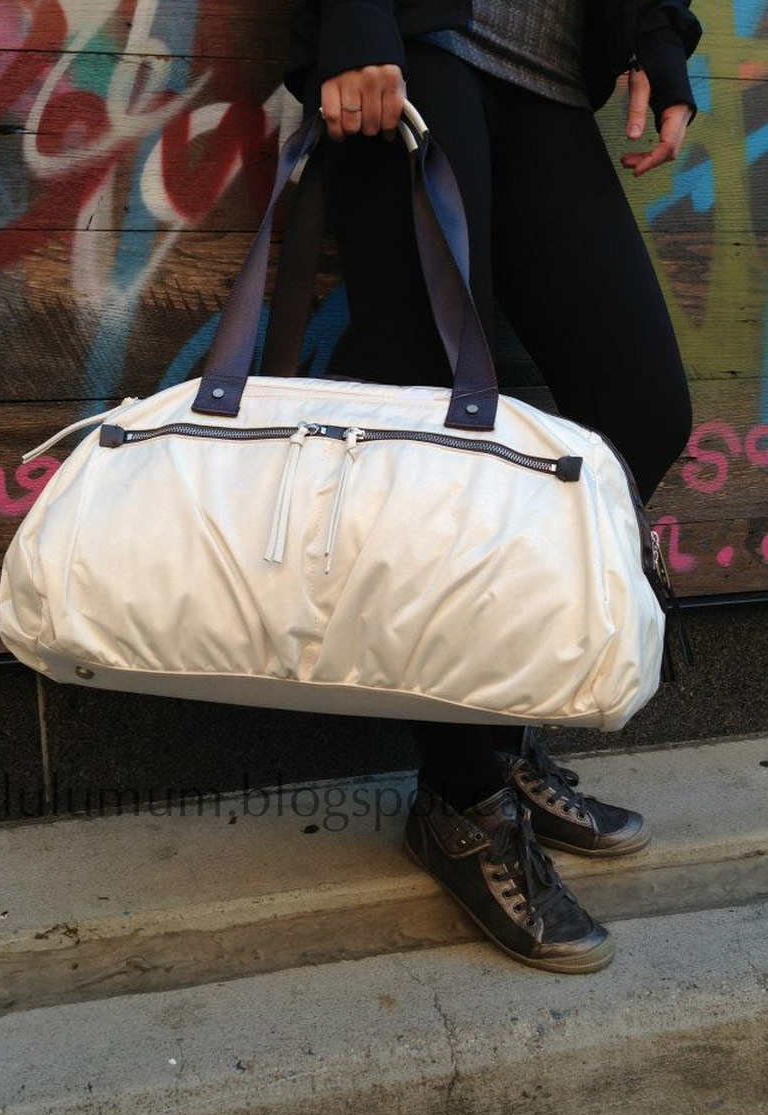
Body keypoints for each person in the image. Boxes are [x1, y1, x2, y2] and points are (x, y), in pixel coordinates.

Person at [281, 0, 702, 973]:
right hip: (415, 46)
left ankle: (499, 739)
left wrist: (654, 34)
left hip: (547, 67)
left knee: (641, 407)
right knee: (439, 448)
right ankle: (462, 795)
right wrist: (354, 21)